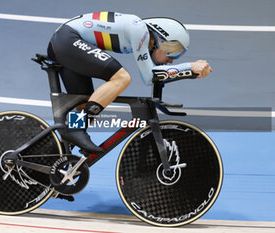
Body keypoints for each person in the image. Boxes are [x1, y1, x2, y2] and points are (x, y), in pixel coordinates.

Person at [47, 12, 212, 153]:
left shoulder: (140, 33)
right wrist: (189, 68)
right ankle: (75, 129)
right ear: (161, 40)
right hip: (67, 39)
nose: (170, 60)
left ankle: (55, 154)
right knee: (122, 77)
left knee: (86, 104)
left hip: (66, 42)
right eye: (173, 53)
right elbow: (149, 76)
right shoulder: (139, 29)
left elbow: (155, 75)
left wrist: (188, 72)